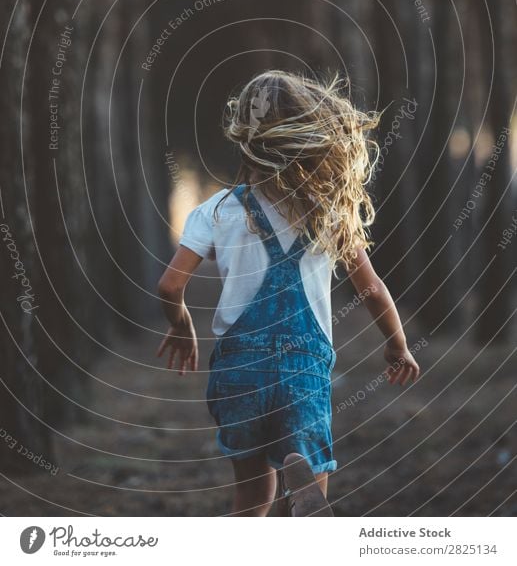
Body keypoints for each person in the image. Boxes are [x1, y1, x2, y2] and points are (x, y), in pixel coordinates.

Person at [156, 69, 420, 516]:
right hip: (303, 369)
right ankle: (304, 493)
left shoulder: (216, 211)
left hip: (240, 368)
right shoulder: (329, 212)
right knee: (313, 472)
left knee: (251, 493)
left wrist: (182, 326)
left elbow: (170, 284)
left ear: (244, 137)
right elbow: (372, 289)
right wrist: (397, 345)